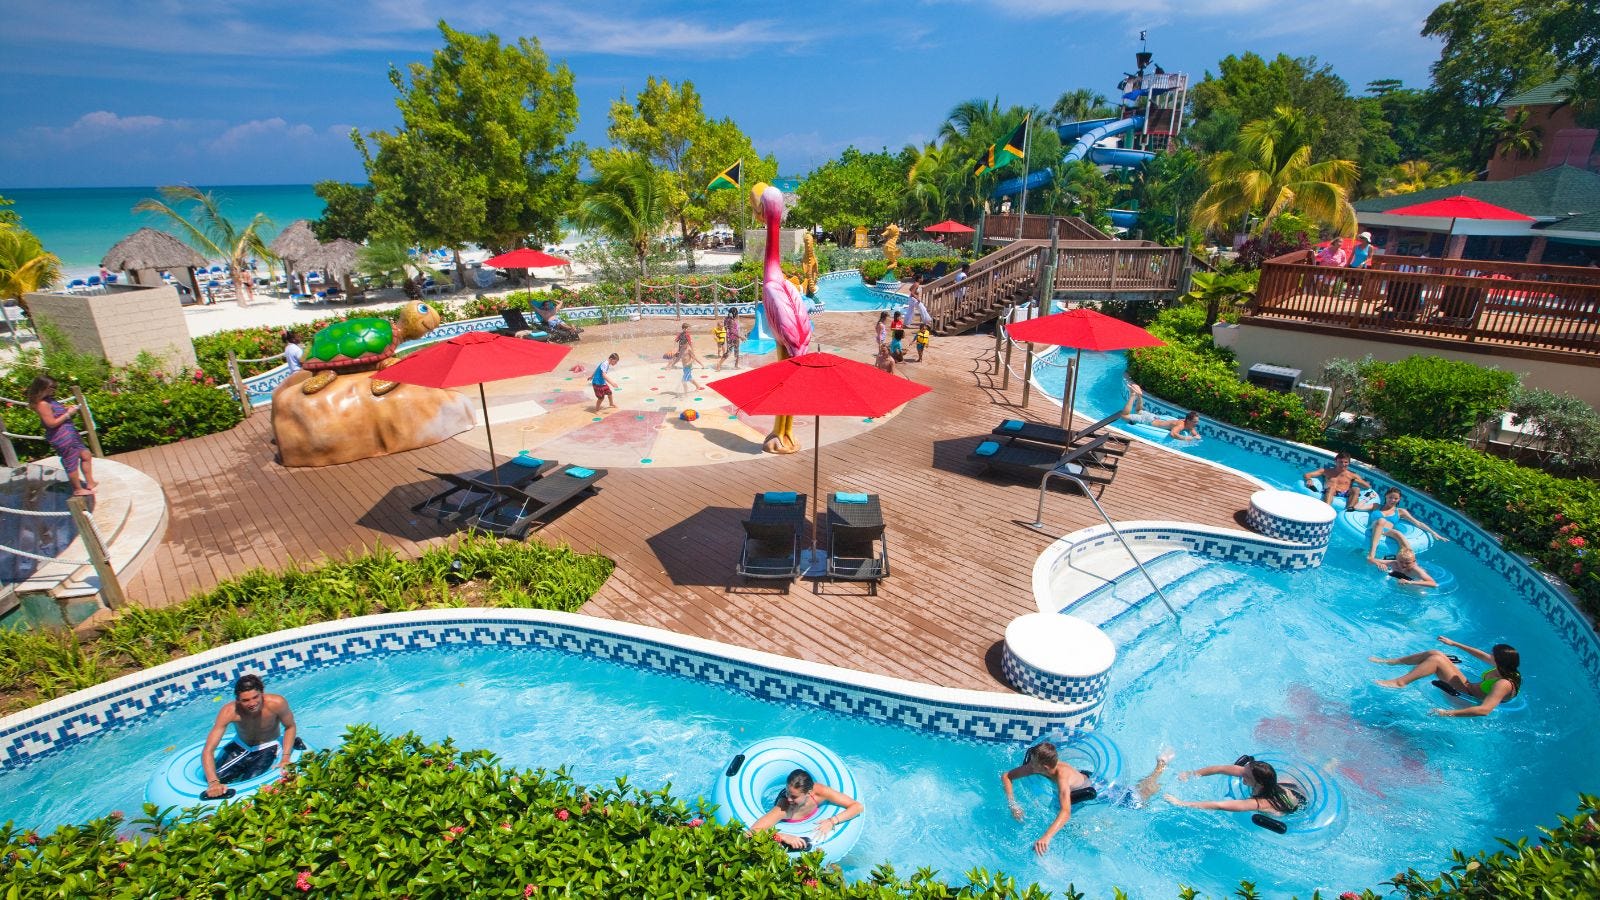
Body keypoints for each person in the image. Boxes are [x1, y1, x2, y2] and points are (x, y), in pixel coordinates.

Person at [1002, 742, 1174, 855]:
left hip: (1097, 791)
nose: (1028, 766)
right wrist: (1013, 804)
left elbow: (1065, 812)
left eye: (1032, 763)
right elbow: (1007, 776)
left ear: (1045, 767)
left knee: (1140, 798)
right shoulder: (1037, 767)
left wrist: (1046, 837)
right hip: (1081, 781)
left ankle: (1160, 766)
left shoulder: (1062, 777)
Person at [201, 674, 298, 799]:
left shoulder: (277, 703)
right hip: (241, 746)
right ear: (237, 700)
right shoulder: (229, 711)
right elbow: (208, 750)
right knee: (211, 778)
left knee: (252, 782)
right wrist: (213, 782)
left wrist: (285, 757)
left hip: (268, 746)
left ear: (262, 693)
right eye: (245, 700)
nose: (252, 703)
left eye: (255, 697)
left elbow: (290, 727)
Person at [1371, 636, 1522, 717]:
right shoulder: (1508, 667)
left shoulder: (1503, 683)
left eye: (1492, 655)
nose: (1489, 656)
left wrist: (1447, 713)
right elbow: (1481, 655)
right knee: (1435, 653)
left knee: (1436, 660)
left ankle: (1400, 683)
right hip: (1469, 687)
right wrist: (1454, 644)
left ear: (1499, 660)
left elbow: (1484, 710)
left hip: (1467, 697)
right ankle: (1392, 662)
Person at [748, 768, 864, 852]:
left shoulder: (820, 792)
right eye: (787, 792)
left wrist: (832, 821)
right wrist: (783, 836)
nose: (789, 798)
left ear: (808, 793)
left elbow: (857, 807)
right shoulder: (783, 808)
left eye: (793, 796)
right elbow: (752, 832)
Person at [1165, 756, 1305, 820]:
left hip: (1294, 806)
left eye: (1246, 776)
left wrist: (1181, 803)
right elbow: (1219, 769)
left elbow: (1219, 805)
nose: (1241, 775)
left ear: (1258, 783)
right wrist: (1191, 774)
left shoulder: (1259, 802)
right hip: (1284, 790)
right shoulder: (1253, 773)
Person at [27, 375, 95, 496]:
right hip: (62, 436)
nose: (54, 389)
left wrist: (66, 410)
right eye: (52, 387)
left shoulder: (49, 400)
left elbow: (57, 414)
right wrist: (68, 414)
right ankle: (78, 489)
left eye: (55, 387)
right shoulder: (42, 404)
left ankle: (90, 482)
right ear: (42, 387)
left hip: (70, 433)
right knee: (71, 461)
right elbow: (51, 423)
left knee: (86, 454)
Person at [1355, 487, 1447, 557]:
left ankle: (1409, 562)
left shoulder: (1400, 511)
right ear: (1386, 496)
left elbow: (1418, 523)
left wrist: (1434, 533)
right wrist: (1368, 498)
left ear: (1399, 499)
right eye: (1390, 497)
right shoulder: (1376, 506)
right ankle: (1372, 555)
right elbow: (1357, 507)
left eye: (1396, 498)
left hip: (1386, 532)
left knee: (1398, 534)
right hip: (1373, 528)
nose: (1392, 500)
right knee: (1381, 520)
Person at [1119, 384, 1200, 441]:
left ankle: (1140, 396)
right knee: (1124, 415)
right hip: (1148, 421)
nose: (1196, 423)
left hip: (1154, 418)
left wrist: (1196, 435)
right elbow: (1173, 434)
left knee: (1138, 411)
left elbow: (1192, 429)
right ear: (1189, 420)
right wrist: (1185, 438)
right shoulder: (1181, 425)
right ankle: (1133, 394)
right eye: (1195, 422)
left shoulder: (1188, 423)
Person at [1302, 452, 1372, 510]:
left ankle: (1349, 510)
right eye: (1340, 462)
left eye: (1346, 462)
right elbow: (1307, 474)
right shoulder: (1326, 471)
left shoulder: (1352, 475)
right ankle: (1326, 509)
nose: (1343, 464)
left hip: (1345, 493)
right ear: (1335, 461)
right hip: (1330, 491)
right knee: (1332, 488)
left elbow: (1367, 486)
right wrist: (1309, 479)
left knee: (1356, 489)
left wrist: (1355, 480)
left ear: (1349, 463)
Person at [1368, 545, 1437, 587]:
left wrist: (1410, 582)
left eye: (1407, 563)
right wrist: (1380, 564)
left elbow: (1433, 584)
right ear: (1397, 559)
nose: (1403, 565)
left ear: (1414, 562)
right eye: (1401, 562)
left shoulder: (1415, 570)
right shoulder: (1394, 563)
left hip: (1413, 590)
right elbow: (1370, 559)